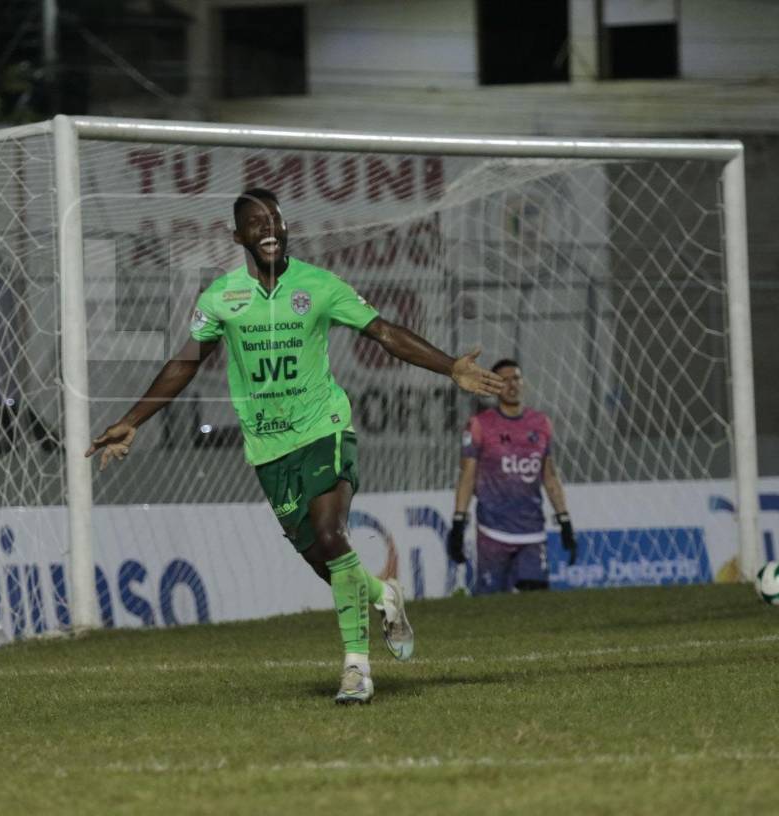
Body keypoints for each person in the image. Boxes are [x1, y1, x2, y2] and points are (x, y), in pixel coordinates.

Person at [87, 188, 504, 704]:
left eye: (275, 220)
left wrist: (450, 368)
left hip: (324, 428)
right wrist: (133, 421)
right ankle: (383, 594)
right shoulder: (221, 297)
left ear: (286, 228)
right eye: (255, 223)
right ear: (237, 236)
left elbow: (384, 332)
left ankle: (356, 668)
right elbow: (185, 362)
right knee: (325, 562)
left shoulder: (318, 285)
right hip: (268, 448)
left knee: (332, 534)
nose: (268, 229)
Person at [447, 359, 577, 594]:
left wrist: (564, 519)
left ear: (523, 383)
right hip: (492, 532)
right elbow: (467, 474)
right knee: (492, 606)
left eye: (516, 378)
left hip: (532, 531)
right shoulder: (479, 425)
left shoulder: (541, 423)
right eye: (504, 380)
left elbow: (549, 475)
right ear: (494, 387)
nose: (511, 384)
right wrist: (458, 522)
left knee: (536, 603)